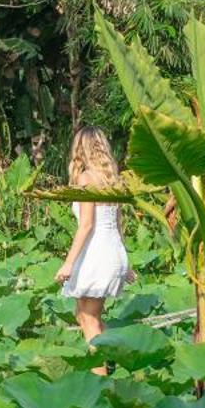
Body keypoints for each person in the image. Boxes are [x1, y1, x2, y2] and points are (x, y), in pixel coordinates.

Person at [56, 125, 131, 349]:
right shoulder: (112, 180)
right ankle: (114, 359)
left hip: (96, 252)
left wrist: (68, 264)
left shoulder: (86, 179)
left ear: (81, 149)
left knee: (89, 319)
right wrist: (125, 262)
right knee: (83, 314)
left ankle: (101, 379)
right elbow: (118, 225)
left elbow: (87, 224)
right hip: (111, 251)